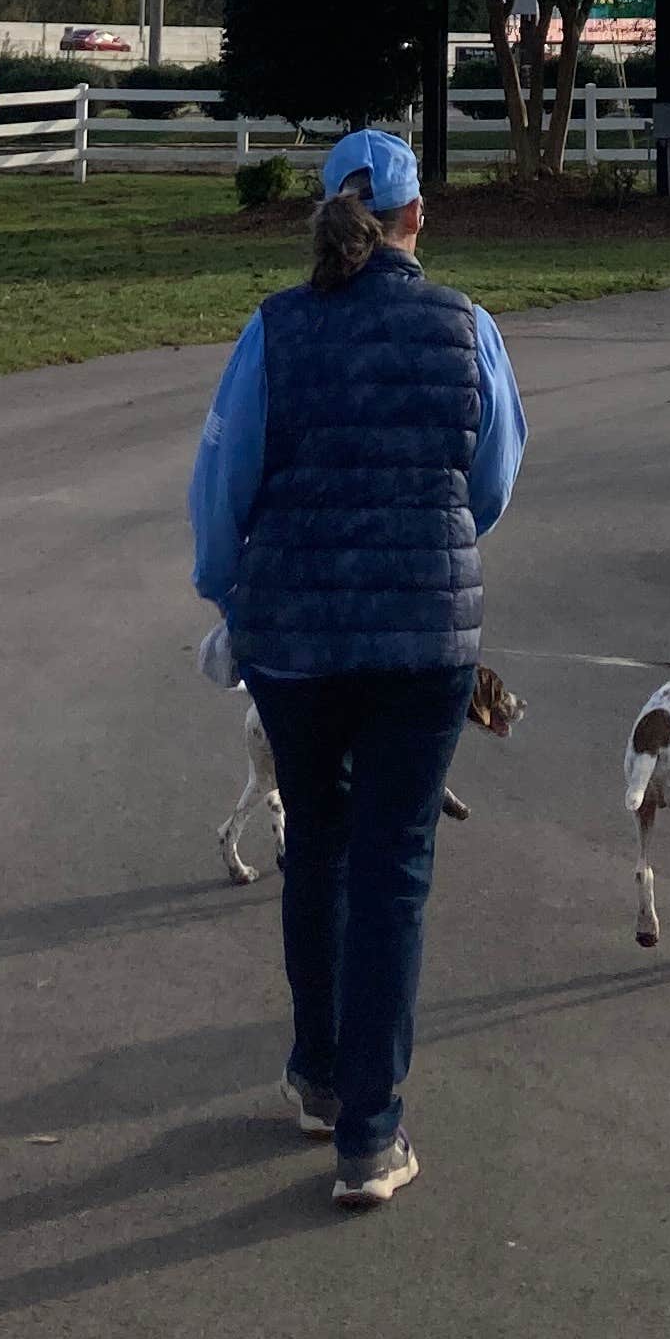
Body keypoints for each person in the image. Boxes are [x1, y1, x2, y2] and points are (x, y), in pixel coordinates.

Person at [190, 125, 525, 1208]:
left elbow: (221, 479)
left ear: (330, 211)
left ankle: (322, 1077)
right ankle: (374, 1137)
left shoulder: (273, 330)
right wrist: (433, 533)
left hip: (294, 633)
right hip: (421, 637)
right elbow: (494, 477)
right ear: (418, 216)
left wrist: (226, 593)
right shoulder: (466, 327)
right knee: (395, 867)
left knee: (318, 845)